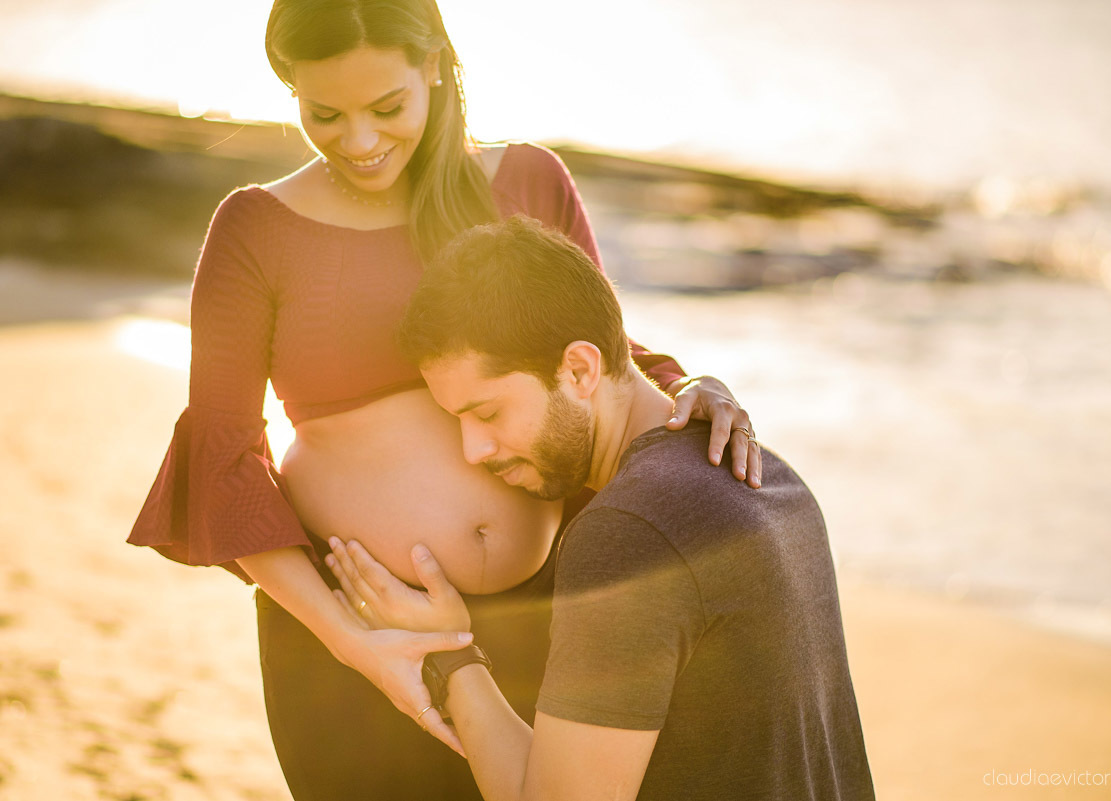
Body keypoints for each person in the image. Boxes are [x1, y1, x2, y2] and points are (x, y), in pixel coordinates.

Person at [127, 1, 758, 799]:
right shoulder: (256, 228)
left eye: (386, 107)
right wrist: (355, 641)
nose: (359, 140)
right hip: (358, 628)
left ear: (432, 65)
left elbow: (600, 356)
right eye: (324, 114)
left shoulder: (528, 181)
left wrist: (690, 387)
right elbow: (224, 458)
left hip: (554, 612)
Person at [329, 214, 875, 800]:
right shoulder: (775, 480)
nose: (473, 449)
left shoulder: (629, 533)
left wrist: (451, 652)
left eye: (488, 413)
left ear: (580, 369)